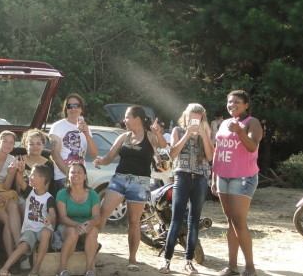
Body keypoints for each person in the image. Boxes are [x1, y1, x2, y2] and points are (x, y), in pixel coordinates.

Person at [93, 105, 167, 272]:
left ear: (137, 119)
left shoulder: (150, 136)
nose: (124, 120)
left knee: (133, 222)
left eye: (127, 117)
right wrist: (99, 161)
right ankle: (92, 249)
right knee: (103, 212)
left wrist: (158, 133)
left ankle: (132, 259)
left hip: (140, 183)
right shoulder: (123, 137)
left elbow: (164, 147)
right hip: (119, 179)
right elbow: (109, 157)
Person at [158, 104, 214, 275]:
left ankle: (188, 261)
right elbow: (172, 154)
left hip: (200, 178)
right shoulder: (178, 130)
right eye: (192, 116)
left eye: (199, 116)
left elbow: (210, 156)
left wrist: (203, 134)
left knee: (194, 221)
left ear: (202, 117)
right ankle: (167, 261)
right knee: (175, 220)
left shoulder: (206, 131)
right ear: (186, 116)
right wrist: (188, 133)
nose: (195, 119)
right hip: (182, 176)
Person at [212, 90, 262, 276]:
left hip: (243, 177)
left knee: (239, 221)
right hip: (223, 176)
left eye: (237, 102)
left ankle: (250, 267)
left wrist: (240, 131)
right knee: (230, 222)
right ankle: (232, 267)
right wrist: (213, 176)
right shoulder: (224, 123)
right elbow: (218, 150)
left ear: (246, 105)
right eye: (230, 102)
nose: (232, 104)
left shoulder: (252, 122)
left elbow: (252, 147)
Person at [0, 164, 56, 276]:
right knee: (22, 246)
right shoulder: (30, 191)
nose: (30, 176)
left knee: (45, 233)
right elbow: (20, 180)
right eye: (31, 174)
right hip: (30, 229)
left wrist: (49, 218)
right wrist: (20, 170)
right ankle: (4, 269)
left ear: (43, 179)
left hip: (43, 227)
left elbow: (52, 213)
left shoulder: (49, 198)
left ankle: (36, 269)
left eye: (34, 175)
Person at [55, 162, 100, 276]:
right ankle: (62, 269)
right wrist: (76, 225)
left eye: (79, 172)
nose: (75, 174)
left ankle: (90, 269)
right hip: (68, 225)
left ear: (85, 176)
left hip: (85, 225)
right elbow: (62, 218)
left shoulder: (93, 194)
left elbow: (96, 217)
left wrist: (89, 223)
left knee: (93, 231)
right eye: (72, 172)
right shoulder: (62, 193)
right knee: (73, 232)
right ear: (68, 176)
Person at [49, 93, 98, 196]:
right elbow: (54, 154)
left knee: (79, 211)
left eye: (76, 105)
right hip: (63, 178)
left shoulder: (86, 128)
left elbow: (94, 154)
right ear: (66, 109)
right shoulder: (57, 126)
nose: (73, 109)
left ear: (81, 109)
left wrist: (86, 134)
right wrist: (70, 175)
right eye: (69, 106)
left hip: (81, 178)